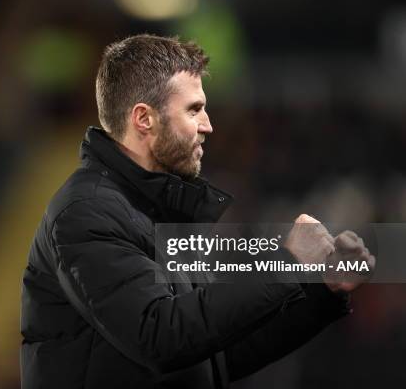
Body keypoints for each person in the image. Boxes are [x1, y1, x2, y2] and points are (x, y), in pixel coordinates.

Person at [20, 34, 374, 388]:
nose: (208, 125)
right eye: (193, 109)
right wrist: (286, 263)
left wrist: (320, 291)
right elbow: (159, 337)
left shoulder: (161, 212)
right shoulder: (86, 212)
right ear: (144, 119)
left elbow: (213, 356)